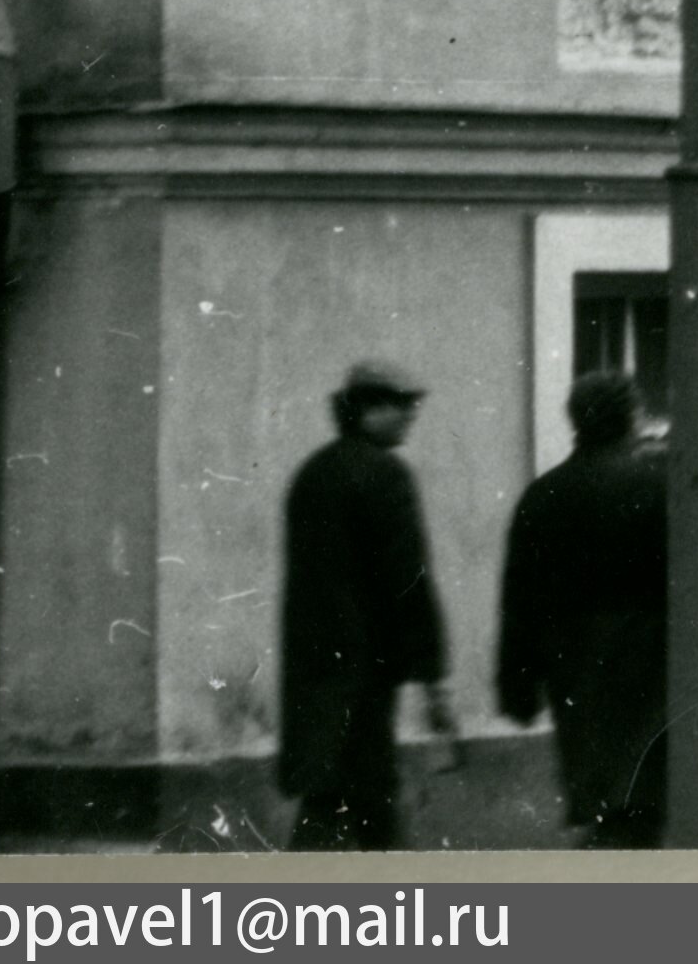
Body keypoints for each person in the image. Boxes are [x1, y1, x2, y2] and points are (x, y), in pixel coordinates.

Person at [279, 362, 460, 849]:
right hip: (366, 671)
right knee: (367, 797)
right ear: (366, 408)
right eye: (401, 403)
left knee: (331, 790)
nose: (411, 414)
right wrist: (432, 676)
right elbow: (410, 581)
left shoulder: (312, 474)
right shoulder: (386, 474)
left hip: (315, 665)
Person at [494, 373, 674, 848]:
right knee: (639, 805)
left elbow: (519, 600)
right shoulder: (656, 487)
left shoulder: (543, 494)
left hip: (572, 672)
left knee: (602, 797)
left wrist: (517, 686)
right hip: (646, 669)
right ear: (630, 417)